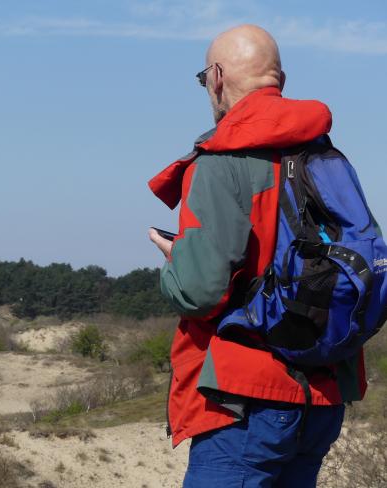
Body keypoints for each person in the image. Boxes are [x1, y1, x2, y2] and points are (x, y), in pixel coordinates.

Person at [147, 24, 365, 487]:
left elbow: (200, 291)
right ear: (277, 80)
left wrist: (173, 263)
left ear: (218, 76)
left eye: (204, 79)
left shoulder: (221, 159)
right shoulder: (327, 157)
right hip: (323, 396)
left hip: (246, 400)